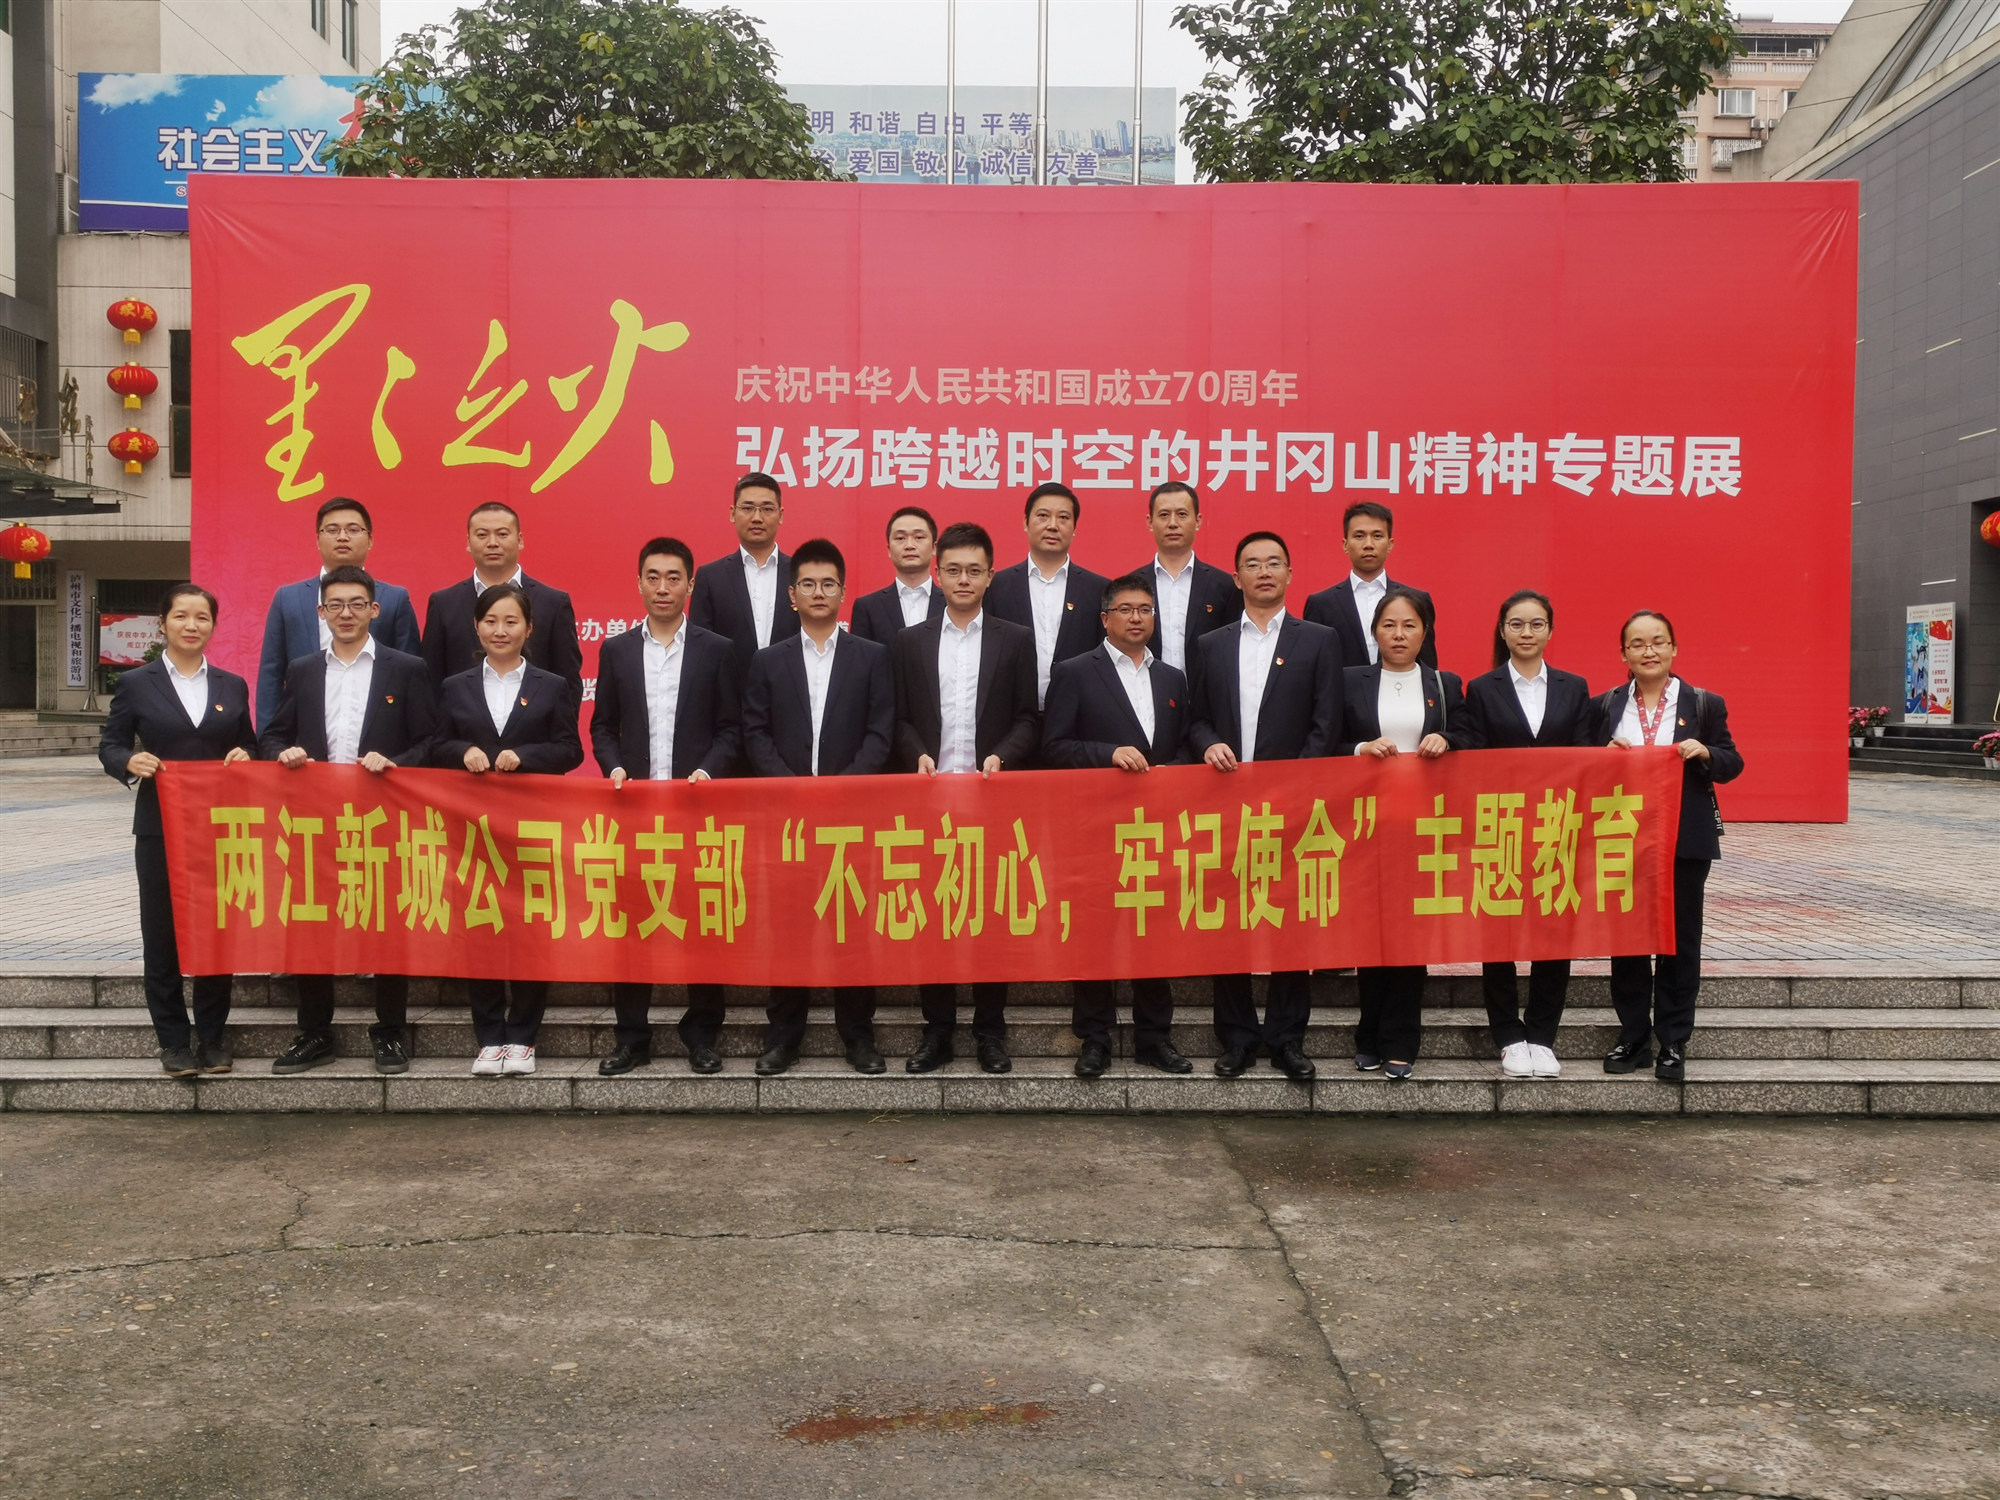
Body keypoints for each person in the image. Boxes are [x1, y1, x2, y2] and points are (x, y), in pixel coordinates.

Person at [259, 566, 439, 1076]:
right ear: (321, 612)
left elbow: (431, 740)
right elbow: (272, 734)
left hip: (382, 820)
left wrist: (396, 762)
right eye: (335, 605)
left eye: (357, 604)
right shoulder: (303, 669)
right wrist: (283, 752)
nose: (346, 614)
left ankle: (390, 1032)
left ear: (374, 610)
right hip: (314, 820)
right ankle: (315, 1032)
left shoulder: (406, 669)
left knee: (387, 924)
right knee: (311, 924)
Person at [1187, 531, 1343, 1083]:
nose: (1264, 572)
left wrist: (1297, 786)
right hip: (1226, 803)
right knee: (1228, 920)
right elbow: (1196, 718)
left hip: (1294, 806)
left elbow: (1327, 723)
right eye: (1252, 564)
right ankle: (1236, 1037)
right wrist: (1208, 743)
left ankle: (1286, 1038)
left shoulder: (1319, 640)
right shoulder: (1211, 644)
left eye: (1274, 562)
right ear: (1237, 578)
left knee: (1290, 922)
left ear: (1290, 574)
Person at [891, 521, 1040, 1075]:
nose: (963, 580)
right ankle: (938, 1032)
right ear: (937, 573)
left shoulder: (1014, 639)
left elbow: (1029, 717)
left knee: (989, 919)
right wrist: (915, 754)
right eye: (952, 570)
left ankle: (990, 1033)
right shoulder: (910, 641)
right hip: (929, 800)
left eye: (974, 571)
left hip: (990, 799)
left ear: (990, 576)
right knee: (934, 917)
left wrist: (1002, 755)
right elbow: (899, 717)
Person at [743, 539, 896, 1076]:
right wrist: (792, 788)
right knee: (789, 926)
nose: (818, 592)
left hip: (850, 815)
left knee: (853, 925)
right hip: (787, 815)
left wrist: (841, 788)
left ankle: (859, 1036)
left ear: (843, 592)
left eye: (829, 583)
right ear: (792, 595)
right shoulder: (767, 660)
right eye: (807, 583)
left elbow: (880, 734)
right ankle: (783, 1036)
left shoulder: (871, 657)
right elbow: (755, 733)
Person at [590, 539, 741, 1077]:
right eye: (652, 577)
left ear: (690, 585)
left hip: (696, 809)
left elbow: (731, 729)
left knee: (701, 922)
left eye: (673, 577)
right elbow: (602, 726)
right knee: (631, 926)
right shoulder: (616, 650)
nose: (662, 587)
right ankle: (632, 1037)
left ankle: (702, 1034)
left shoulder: (717, 649)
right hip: (633, 810)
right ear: (638, 583)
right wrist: (613, 767)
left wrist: (709, 772)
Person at [98, 584, 255, 1078]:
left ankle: (212, 1038)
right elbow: (110, 745)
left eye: (202, 617)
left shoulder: (232, 685)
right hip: (159, 827)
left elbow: (249, 743)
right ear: (163, 623)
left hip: (221, 827)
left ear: (213, 625)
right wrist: (128, 761)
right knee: (162, 933)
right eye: (181, 616)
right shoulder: (137, 683)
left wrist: (246, 755)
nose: (192, 625)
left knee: (216, 930)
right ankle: (172, 1041)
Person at [1042, 572, 1193, 1078]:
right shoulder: (1074, 672)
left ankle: (1155, 1037)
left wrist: (1179, 767)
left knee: (1154, 931)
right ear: (1105, 618)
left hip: (1155, 829)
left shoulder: (1171, 678)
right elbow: (1054, 747)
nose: (1136, 618)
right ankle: (1095, 1038)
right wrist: (1108, 754)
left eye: (1145, 610)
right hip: (1096, 827)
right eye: (1125, 610)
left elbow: (1183, 745)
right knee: (1096, 931)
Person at [429, 582, 584, 1076]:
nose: (501, 630)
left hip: (532, 826)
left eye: (511, 621)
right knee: (481, 927)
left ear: (529, 628)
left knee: (530, 928)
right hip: (472, 828)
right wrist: (463, 751)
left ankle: (522, 1037)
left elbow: (570, 750)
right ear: (477, 627)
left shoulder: (551, 685)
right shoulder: (454, 686)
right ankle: (489, 1036)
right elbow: (435, 745)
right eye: (491, 621)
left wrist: (526, 756)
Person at [1596, 609, 1744, 1083]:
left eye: (1658, 641)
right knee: (1629, 940)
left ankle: (1674, 1041)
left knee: (1680, 941)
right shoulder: (1605, 706)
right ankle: (1634, 1037)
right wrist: (1603, 758)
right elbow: (1581, 766)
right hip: (1623, 836)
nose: (1649, 651)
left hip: (1684, 840)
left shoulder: (1703, 704)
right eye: (1637, 644)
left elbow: (1732, 761)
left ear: (1674, 648)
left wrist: (1706, 753)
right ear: (1623, 654)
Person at [1450, 589, 1593, 1078]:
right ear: (1502, 630)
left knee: (1554, 934)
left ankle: (1543, 1036)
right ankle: (1509, 1036)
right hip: (1502, 828)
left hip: (1557, 826)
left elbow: (1584, 756)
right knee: (1500, 936)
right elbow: (1472, 754)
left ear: (1550, 631)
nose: (1526, 633)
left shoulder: (1574, 688)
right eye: (1516, 624)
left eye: (1536, 624)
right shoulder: (1481, 689)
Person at [1339, 586, 1464, 1081]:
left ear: (1424, 632)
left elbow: (1472, 737)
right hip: (1366, 827)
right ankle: (1368, 1036)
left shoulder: (1444, 684)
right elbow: (1325, 738)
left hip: (1423, 828)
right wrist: (1360, 749)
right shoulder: (1351, 680)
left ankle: (1401, 1040)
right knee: (1370, 934)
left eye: (1409, 625)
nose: (1398, 634)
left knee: (1410, 938)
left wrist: (1446, 738)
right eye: (1389, 624)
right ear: (1374, 631)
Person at [255, 496, 421, 727]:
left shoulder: (395, 598)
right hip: (303, 729)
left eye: (353, 530)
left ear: (370, 540)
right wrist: (268, 738)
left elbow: (411, 674)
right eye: (332, 530)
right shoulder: (288, 598)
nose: (342, 537)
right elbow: (271, 675)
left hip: (376, 728)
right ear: (317, 539)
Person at [421, 501, 583, 704]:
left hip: (535, 723)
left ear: (520, 540)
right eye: (482, 535)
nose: (492, 543)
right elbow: (430, 681)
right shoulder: (444, 604)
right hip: (461, 724)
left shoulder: (553, 603)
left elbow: (569, 684)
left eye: (502, 534)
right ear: (468, 542)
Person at [985, 482, 1109, 710]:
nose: (1053, 525)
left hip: (1080, 715)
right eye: (1043, 516)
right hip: (1011, 715)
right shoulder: (996, 586)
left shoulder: (1099, 589)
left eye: (1063, 518)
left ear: (1074, 528)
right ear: (1025, 522)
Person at [690, 472, 801, 678]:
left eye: (767, 509)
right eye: (748, 508)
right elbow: (700, 649)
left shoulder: (802, 573)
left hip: (789, 691)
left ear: (781, 515)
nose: (757, 518)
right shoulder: (710, 577)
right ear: (733, 513)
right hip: (729, 693)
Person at [1304, 501, 1437, 670]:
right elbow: (1312, 666)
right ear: (1345, 545)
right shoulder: (1321, 604)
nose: (1368, 544)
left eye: (1377, 536)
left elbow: (1428, 667)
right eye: (1359, 536)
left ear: (1390, 544)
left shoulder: (1418, 600)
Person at [1134, 480, 1241, 675]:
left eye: (1182, 514)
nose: (1173, 523)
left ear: (1197, 521)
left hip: (1207, 692)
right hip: (1145, 689)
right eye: (1164, 515)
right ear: (1150, 522)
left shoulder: (1225, 586)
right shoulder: (1131, 586)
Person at [850, 505, 946, 643]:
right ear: (889, 549)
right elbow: (860, 655)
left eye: (919, 537)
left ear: (934, 548)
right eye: (900, 538)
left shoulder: (951, 602)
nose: (909, 545)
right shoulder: (867, 607)